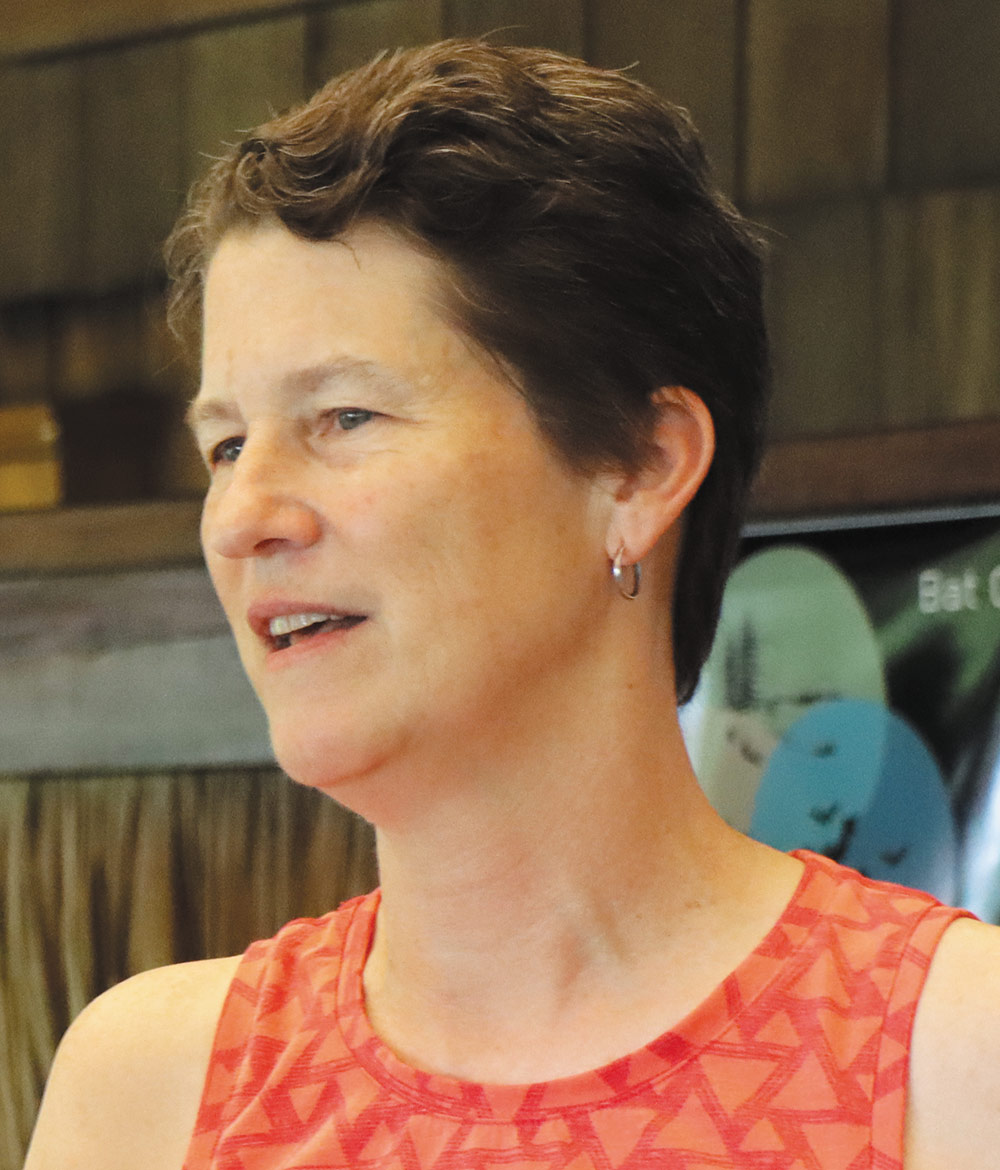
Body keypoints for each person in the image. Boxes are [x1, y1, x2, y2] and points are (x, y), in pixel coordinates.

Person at [23, 38, 1000, 1170]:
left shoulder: (954, 1058)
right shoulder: (149, 1092)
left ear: (636, 467)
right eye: (226, 443)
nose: (243, 516)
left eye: (345, 418)